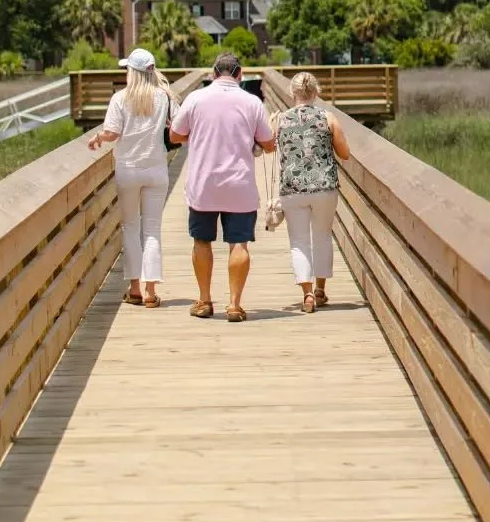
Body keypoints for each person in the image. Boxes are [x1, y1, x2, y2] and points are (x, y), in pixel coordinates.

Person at [169, 51, 275, 322]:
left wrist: (197, 133)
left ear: (213, 73)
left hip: (203, 185)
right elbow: (269, 142)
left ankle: (204, 300)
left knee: (201, 241)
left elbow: (174, 134)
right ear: (240, 75)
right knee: (239, 244)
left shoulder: (195, 98)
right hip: (239, 186)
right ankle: (234, 305)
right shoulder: (252, 102)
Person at [87, 48, 176, 309]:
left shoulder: (120, 98)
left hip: (128, 169)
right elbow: (180, 126)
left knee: (130, 227)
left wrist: (98, 138)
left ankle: (135, 288)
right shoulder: (165, 97)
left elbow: (112, 133)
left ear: (133, 72)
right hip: (156, 169)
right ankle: (151, 291)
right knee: (152, 230)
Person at [274, 71, 350, 313]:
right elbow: (345, 153)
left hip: (292, 189)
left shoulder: (281, 120)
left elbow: (265, 148)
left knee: (299, 242)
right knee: (322, 236)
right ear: (316, 92)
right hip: (324, 188)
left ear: (291, 93)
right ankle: (319, 289)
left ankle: (306, 294)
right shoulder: (328, 117)